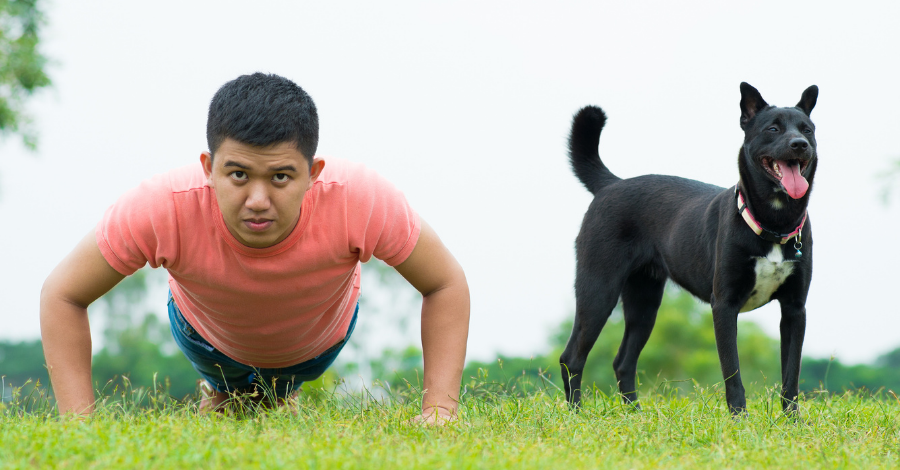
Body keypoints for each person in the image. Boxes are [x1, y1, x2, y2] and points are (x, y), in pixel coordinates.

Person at [39, 73, 470, 424]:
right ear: (208, 168)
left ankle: (265, 393)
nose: (258, 200)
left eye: (280, 177)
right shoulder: (161, 206)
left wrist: (440, 410)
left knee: (265, 407)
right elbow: (63, 294)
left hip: (315, 347)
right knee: (236, 417)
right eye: (238, 175)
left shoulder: (361, 198)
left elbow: (445, 283)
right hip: (207, 340)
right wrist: (78, 425)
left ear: (312, 173)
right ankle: (225, 389)